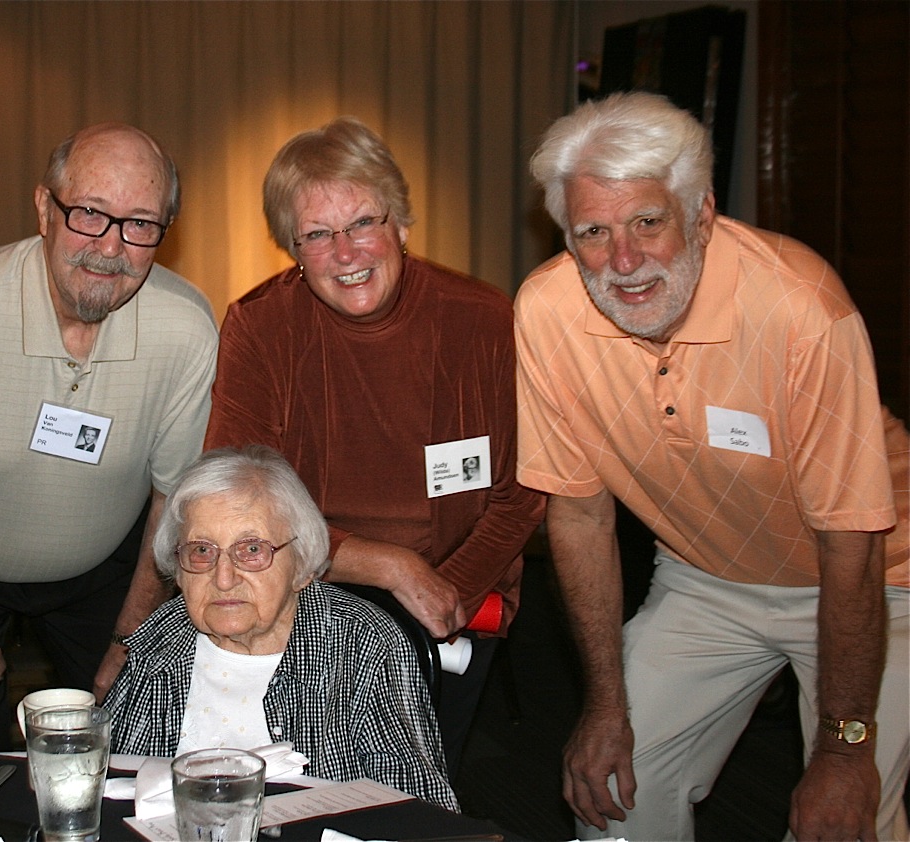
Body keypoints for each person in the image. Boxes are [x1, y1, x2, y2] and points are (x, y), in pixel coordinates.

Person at [515, 91, 908, 841]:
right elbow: (578, 512)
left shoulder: (801, 308)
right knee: (611, 799)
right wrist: (605, 705)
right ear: (565, 237)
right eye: (593, 231)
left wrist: (843, 749)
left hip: (880, 580)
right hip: (709, 576)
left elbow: (851, 541)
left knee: (844, 823)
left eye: (648, 222)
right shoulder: (545, 313)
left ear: (701, 213)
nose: (623, 261)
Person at [203, 117, 545, 774]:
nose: (347, 252)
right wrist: (390, 567)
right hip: (305, 586)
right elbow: (239, 503)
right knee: (308, 778)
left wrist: (449, 589)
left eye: (363, 223)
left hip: (459, 584)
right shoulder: (261, 326)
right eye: (318, 235)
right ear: (292, 250)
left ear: (402, 225)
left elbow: (523, 489)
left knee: (411, 781)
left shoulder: (480, 319)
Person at [0, 122, 218, 753]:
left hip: (101, 570)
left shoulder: (187, 329)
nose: (111, 248)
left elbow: (175, 501)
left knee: (137, 741)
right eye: (90, 214)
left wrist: (129, 643)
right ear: (43, 208)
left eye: (140, 224)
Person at [106, 445, 459, 811]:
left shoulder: (361, 642)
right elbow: (109, 780)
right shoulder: (165, 633)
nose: (224, 579)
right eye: (201, 551)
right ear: (178, 569)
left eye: (252, 549)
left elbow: (418, 811)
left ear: (303, 565)